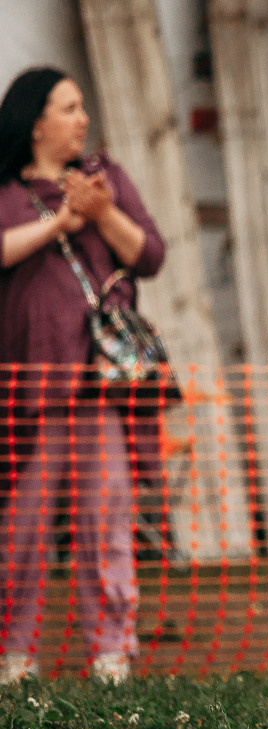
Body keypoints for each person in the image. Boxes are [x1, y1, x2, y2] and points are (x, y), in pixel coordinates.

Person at [0, 67, 167, 684]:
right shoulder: (6, 191)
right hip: (26, 392)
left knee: (107, 518)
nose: (82, 119)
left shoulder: (107, 178)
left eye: (82, 107)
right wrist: (57, 225)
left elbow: (148, 255)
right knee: (20, 526)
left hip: (99, 386)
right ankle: (13, 652)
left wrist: (102, 213)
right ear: (35, 121)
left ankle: (112, 651)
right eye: (69, 108)